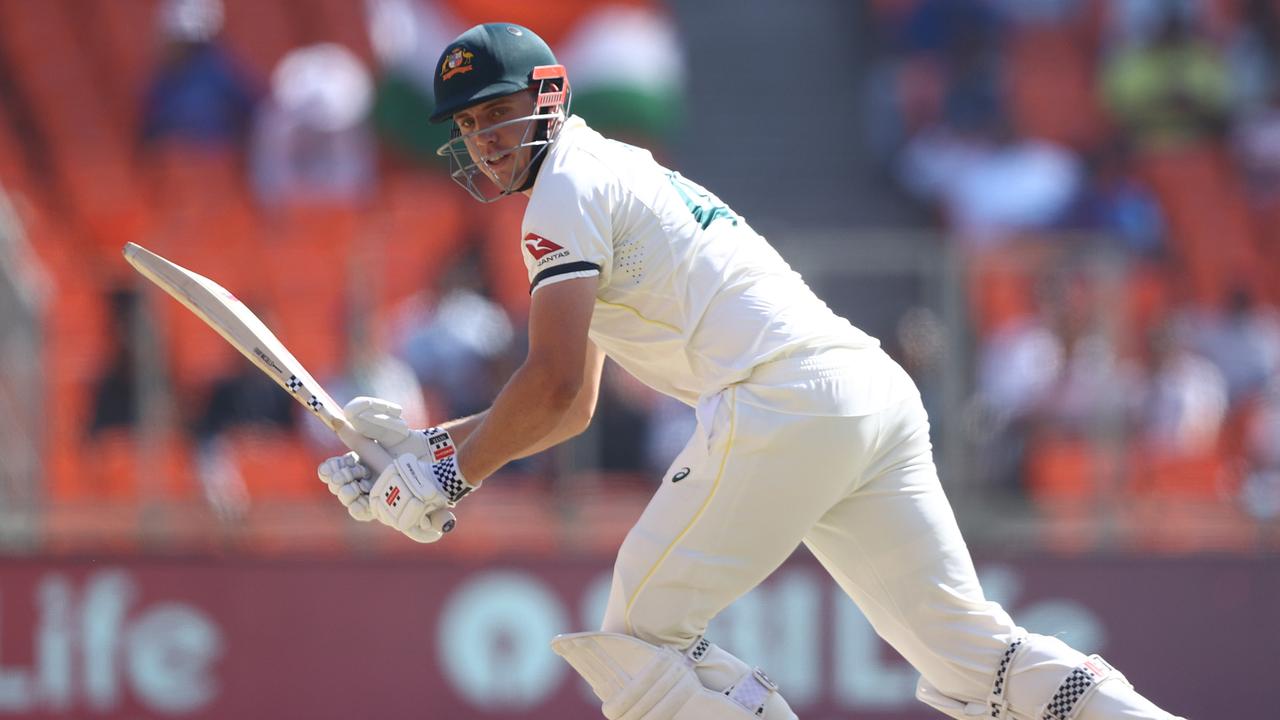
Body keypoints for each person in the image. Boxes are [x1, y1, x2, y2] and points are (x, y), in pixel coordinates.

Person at [315, 23, 1186, 720]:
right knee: (971, 653)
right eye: (468, 126)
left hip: (784, 400)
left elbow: (545, 389)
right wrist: (431, 450)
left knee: (640, 644)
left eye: (495, 113)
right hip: (865, 393)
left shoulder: (563, 195)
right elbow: (573, 402)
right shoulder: (610, 173)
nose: (484, 141)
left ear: (549, 96)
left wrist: (443, 474)